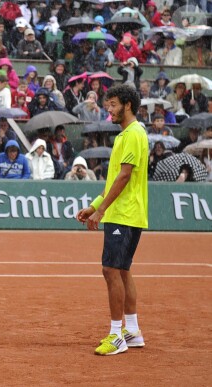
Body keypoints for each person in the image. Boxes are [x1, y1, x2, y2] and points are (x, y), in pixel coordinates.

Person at [76, 84, 149, 356]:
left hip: (124, 214)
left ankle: (116, 335)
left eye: (114, 104)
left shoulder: (132, 134)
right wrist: (94, 205)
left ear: (128, 105)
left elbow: (124, 176)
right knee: (122, 270)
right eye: (108, 104)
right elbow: (114, 181)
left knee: (110, 271)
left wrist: (101, 210)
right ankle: (132, 330)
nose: (109, 109)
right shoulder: (126, 135)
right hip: (126, 212)